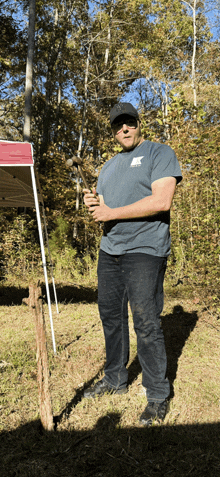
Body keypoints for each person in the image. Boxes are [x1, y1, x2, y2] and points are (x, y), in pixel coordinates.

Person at [83, 102, 182, 426]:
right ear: (113, 130)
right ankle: (115, 379)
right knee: (111, 316)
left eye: (129, 123)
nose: (124, 129)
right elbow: (107, 206)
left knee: (145, 320)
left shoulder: (159, 153)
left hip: (145, 248)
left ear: (139, 124)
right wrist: (95, 203)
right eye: (118, 125)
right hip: (110, 249)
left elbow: (161, 201)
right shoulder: (109, 166)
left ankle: (156, 394)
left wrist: (111, 213)